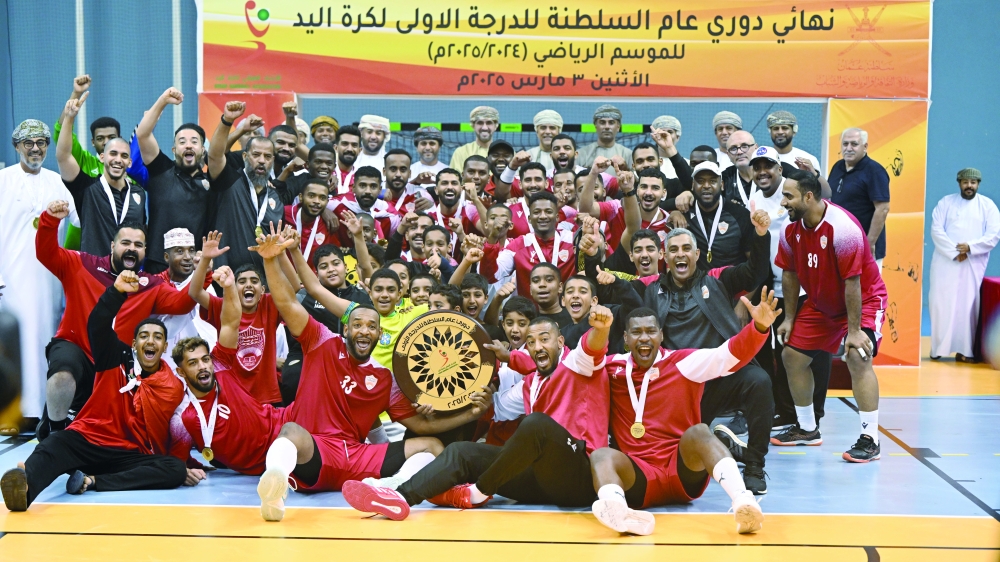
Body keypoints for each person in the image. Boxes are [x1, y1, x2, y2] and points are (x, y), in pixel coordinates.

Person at [251, 231, 491, 520]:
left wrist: (472, 414)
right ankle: (275, 491)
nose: (364, 330)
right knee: (291, 432)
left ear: (379, 333)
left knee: (432, 445)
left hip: (357, 457)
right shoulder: (320, 341)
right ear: (346, 329)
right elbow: (288, 303)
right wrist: (270, 261)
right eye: (358, 325)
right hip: (315, 452)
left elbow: (420, 425)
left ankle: (389, 488)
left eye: (371, 327)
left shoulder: (385, 377)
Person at [341, 309, 613, 519]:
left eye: (545, 339)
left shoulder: (577, 365)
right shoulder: (529, 385)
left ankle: (476, 492)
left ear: (561, 341)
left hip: (579, 477)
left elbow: (593, 346)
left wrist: (601, 328)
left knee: (536, 424)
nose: (538, 346)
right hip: (541, 482)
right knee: (462, 451)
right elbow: (492, 408)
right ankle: (399, 497)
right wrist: (437, 402)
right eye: (531, 342)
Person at [0, 271, 193, 513]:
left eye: (157, 337)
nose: (150, 341)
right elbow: (98, 325)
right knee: (55, 442)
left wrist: (186, 463)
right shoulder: (116, 357)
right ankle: (24, 486)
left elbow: (174, 432)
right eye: (144, 336)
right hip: (89, 442)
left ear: (164, 346)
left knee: (175, 469)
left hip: (128, 455)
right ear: (134, 344)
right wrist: (116, 292)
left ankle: (92, 481)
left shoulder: (173, 386)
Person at [588, 298, 780, 536]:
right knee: (601, 456)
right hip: (638, 475)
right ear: (626, 339)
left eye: (650, 331)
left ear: (661, 335)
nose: (644, 337)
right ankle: (619, 512)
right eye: (636, 332)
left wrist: (759, 327)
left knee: (699, 432)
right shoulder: (611, 368)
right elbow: (580, 364)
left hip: (682, 469)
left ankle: (744, 502)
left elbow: (728, 355)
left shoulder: (683, 363)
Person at [625, 216, 773, 494]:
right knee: (683, 453)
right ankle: (724, 444)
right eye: (673, 250)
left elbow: (754, 272)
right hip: (677, 388)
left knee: (759, 381)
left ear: (696, 254)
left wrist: (761, 235)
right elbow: (612, 287)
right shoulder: (648, 287)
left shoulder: (717, 278)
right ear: (665, 257)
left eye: (686, 249)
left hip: (721, 378)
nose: (680, 254)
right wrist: (593, 257)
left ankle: (754, 464)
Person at [35, 201, 195, 441]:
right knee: (63, 373)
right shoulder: (82, 265)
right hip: (76, 348)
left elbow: (183, 303)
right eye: (125, 243)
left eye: (138, 245)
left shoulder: (150, 285)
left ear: (145, 251)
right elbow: (46, 253)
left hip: (115, 367)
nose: (132, 249)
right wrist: (50, 220)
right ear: (112, 246)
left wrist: (203, 269)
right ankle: (55, 432)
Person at [772, 174, 888, 463]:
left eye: (788, 196)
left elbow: (853, 283)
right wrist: (789, 318)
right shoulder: (790, 228)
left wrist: (854, 331)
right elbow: (789, 273)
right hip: (822, 304)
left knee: (858, 356)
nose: (783, 202)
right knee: (792, 357)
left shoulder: (843, 228)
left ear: (809, 196)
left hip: (863, 300)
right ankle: (807, 429)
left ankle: (870, 440)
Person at [0, 120, 78, 432]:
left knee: (46, 340)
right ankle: (15, 411)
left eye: (41, 143)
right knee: (16, 342)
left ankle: (47, 413)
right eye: (29, 143)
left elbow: (81, 219)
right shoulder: (2, 180)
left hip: (48, 281)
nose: (36, 148)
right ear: (17, 146)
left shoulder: (57, 181)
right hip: (10, 279)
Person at [749, 161, 831, 428]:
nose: (785, 201)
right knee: (783, 353)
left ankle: (814, 414)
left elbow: (824, 196)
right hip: (774, 289)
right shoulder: (754, 199)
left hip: (809, 291)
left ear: (780, 170)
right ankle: (786, 412)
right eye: (757, 167)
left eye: (769, 166)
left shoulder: (804, 206)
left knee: (814, 355)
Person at [189, 231, 283, 405]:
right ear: (232, 284)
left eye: (254, 281)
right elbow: (194, 292)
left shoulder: (269, 304)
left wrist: (280, 254)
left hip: (266, 396)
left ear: (263, 290)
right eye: (242, 281)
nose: (248, 285)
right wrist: (205, 260)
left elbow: (293, 288)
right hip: (233, 395)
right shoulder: (222, 306)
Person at [56, 92, 147, 257]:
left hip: (127, 268)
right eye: (113, 154)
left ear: (130, 162)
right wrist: (69, 118)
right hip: (93, 268)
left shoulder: (138, 192)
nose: (118, 159)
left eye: (124, 155)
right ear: (103, 157)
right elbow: (63, 155)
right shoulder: (87, 188)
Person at [135, 87, 211, 274]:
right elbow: (143, 134)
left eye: (194, 141)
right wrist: (163, 100)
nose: (188, 145)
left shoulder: (211, 183)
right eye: (182, 142)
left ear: (202, 150)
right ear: (174, 150)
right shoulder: (161, 170)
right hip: (158, 265)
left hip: (193, 266)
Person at [929, 168, 1000, 362]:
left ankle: (965, 351)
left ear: (978, 184)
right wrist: (954, 252)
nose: (969, 186)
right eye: (965, 182)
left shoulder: (988, 206)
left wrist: (969, 248)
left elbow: (994, 234)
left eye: (973, 182)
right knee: (940, 303)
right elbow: (936, 231)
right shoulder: (945, 203)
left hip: (972, 264)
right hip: (945, 263)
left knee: (967, 306)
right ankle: (938, 348)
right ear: (959, 183)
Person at [206, 102, 286, 271]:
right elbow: (214, 155)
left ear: (273, 160)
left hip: (263, 279)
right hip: (225, 276)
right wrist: (227, 120)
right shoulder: (229, 181)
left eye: (267, 156)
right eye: (256, 155)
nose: (262, 160)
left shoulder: (275, 196)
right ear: (244, 157)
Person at [481, 192, 578, 297]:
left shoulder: (573, 240)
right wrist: (493, 238)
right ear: (529, 219)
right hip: (530, 308)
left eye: (548, 211)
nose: (543, 216)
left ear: (557, 217)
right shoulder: (517, 245)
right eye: (536, 212)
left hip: (567, 307)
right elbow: (489, 277)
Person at [155, 228, 217, 371]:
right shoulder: (156, 284)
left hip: (200, 363)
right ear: (166, 257)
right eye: (179, 251)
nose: (188, 257)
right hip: (164, 362)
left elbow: (214, 324)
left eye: (191, 250)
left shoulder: (205, 284)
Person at [829, 128, 890, 265]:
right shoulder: (837, 167)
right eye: (845, 144)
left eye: (854, 144)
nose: (848, 148)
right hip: (838, 244)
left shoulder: (875, 171)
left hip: (864, 248)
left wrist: (869, 243)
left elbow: (882, 209)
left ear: (865, 147)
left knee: (864, 281)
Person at [684, 161, 753, 270]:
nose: (706, 186)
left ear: (722, 185)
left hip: (732, 280)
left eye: (712, 181)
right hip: (697, 280)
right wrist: (674, 211)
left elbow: (754, 263)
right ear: (693, 185)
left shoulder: (740, 215)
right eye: (700, 181)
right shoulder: (684, 213)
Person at [52, 75, 121, 178]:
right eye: (100, 138)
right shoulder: (84, 162)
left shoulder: (130, 168)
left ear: (120, 139)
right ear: (93, 142)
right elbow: (62, 133)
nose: (106, 142)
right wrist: (76, 93)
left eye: (111, 137)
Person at [283, 179, 335, 262]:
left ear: (327, 201)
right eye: (311, 196)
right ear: (301, 197)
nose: (317, 201)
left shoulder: (328, 224)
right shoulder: (283, 213)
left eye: (322, 198)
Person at [383, 149, 433, 215]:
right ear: (384, 171)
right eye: (393, 169)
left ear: (409, 173)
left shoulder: (420, 194)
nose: (398, 174)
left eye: (403, 170)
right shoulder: (375, 191)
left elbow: (434, 212)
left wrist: (431, 204)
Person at [450, 106, 499, 171]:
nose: (484, 128)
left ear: (496, 126)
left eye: (489, 123)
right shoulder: (461, 153)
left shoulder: (505, 153)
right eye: (480, 123)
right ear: (473, 125)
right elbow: (455, 176)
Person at [333, 126, 362, 193]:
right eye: (345, 144)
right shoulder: (326, 174)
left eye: (354, 145)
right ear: (336, 148)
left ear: (359, 150)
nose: (349, 149)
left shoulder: (362, 178)